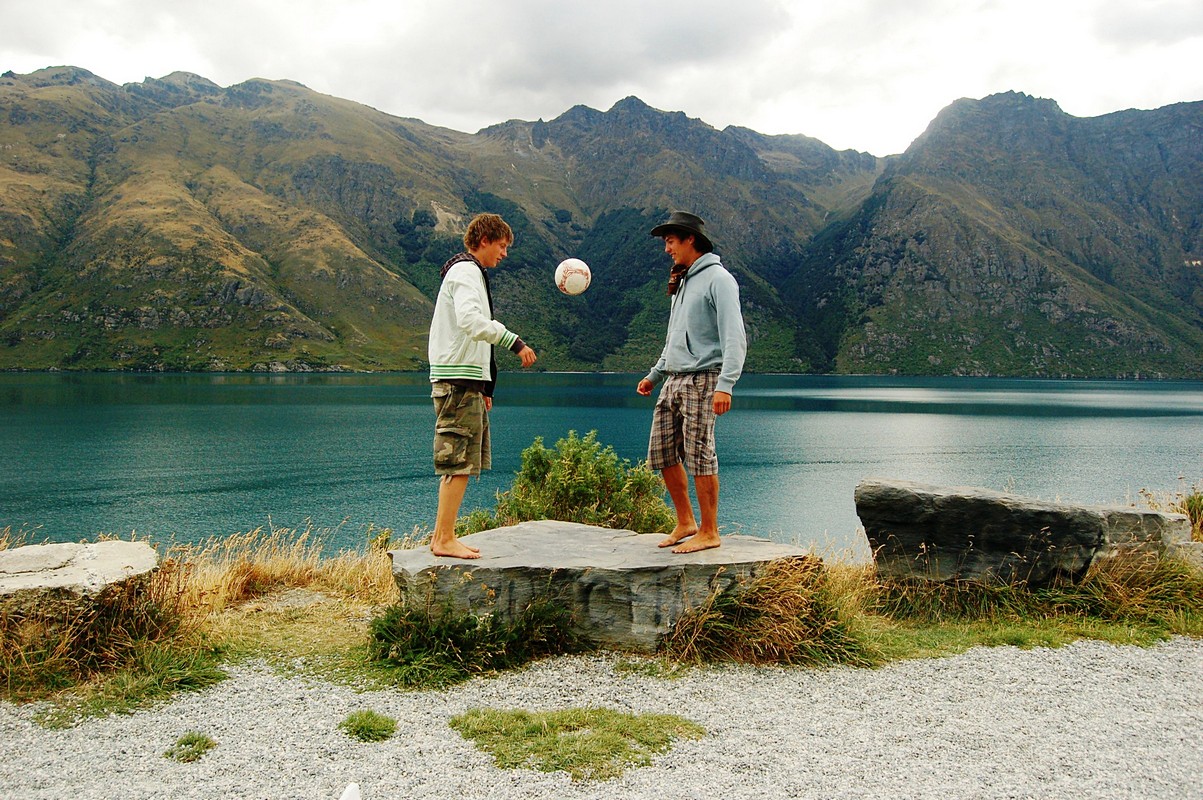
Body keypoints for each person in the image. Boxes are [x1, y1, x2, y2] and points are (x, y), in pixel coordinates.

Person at [428, 212, 537, 559]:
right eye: (502, 246)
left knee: (460, 460)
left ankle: (442, 537)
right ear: (486, 239)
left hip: (465, 381)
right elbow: (472, 322)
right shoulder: (466, 271)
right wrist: (514, 341)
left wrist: (485, 386)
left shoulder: (468, 272)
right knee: (457, 461)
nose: (504, 254)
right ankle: (444, 539)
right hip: (456, 383)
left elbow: (472, 336)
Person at [637, 211, 747, 553]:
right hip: (674, 378)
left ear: (690, 240)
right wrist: (655, 375)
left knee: (699, 454)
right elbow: (674, 337)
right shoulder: (681, 280)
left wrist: (725, 384)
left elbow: (735, 337)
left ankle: (710, 531)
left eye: (671, 241)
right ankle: (686, 521)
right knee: (662, 452)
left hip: (704, 379)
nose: (667, 248)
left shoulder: (719, 279)